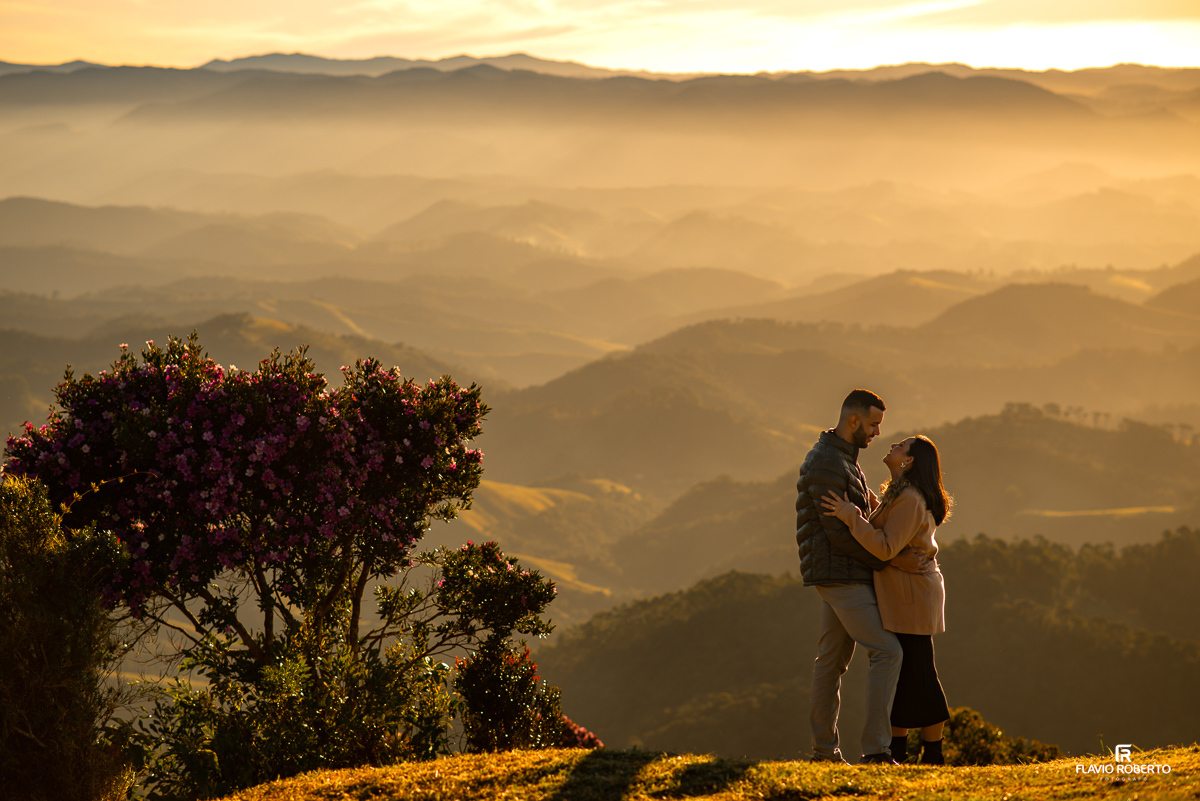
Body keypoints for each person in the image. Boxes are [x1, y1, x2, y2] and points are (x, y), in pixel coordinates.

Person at [796, 388, 912, 765]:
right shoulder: (829, 463)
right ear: (853, 420)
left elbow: (864, 515)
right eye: (874, 423)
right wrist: (883, 560)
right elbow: (838, 534)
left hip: (836, 573)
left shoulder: (843, 459)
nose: (877, 431)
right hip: (842, 575)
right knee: (887, 651)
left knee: (830, 663)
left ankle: (823, 753)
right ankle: (877, 750)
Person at [821, 434, 952, 765]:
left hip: (912, 597)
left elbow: (884, 546)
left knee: (917, 671)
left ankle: (929, 754)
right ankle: (903, 752)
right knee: (908, 672)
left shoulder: (909, 498)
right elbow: (892, 533)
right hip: (907, 593)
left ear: (909, 461)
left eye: (902, 446)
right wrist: (866, 502)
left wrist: (851, 515)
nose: (894, 445)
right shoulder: (899, 493)